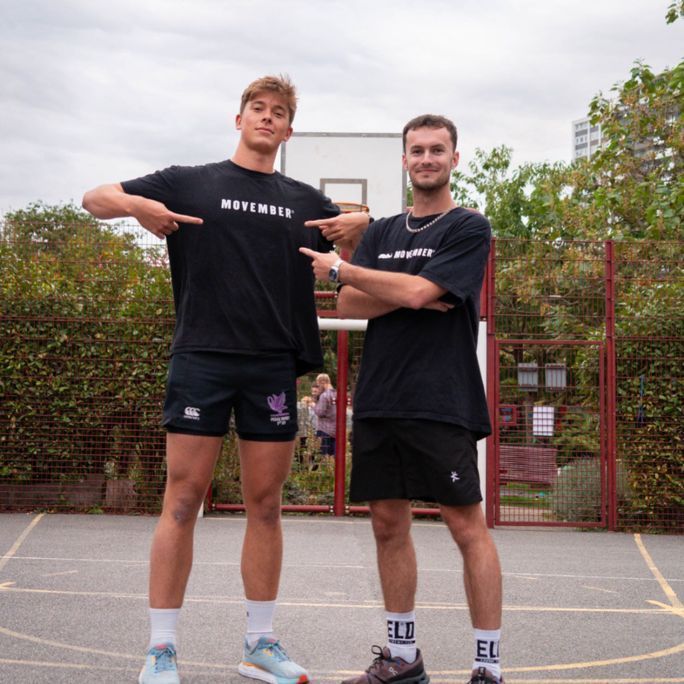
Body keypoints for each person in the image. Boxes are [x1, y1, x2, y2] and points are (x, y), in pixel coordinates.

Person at [82, 74, 369, 684]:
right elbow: (93, 197)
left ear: (289, 129)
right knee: (182, 502)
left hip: (270, 363)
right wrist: (138, 206)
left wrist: (363, 226)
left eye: (279, 112)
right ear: (239, 119)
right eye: (257, 108)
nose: (267, 118)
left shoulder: (306, 203)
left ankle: (259, 644)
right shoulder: (190, 182)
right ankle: (161, 650)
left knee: (266, 506)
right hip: (201, 359)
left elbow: (368, 244)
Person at [300, 114, 504, 684]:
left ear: (454, 159)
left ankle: (488, 666)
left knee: (467, 529)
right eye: (417, 150)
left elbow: (405, 290)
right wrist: (412, 292)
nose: (427, 158)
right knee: (388, 525)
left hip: (442, 399)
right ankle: (402, 657)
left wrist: (356, 273)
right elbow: (348, 309)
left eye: (437, 150)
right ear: (405, 160)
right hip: (382, 399)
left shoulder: (468, 227)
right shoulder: (383, 231)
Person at [312, 373, 337, 457]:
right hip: (335, 430)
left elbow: (320, 412)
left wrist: (313, 405)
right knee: (332, 456)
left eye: (318, 384)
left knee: (322, 457)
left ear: (322, 382)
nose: (318, 387)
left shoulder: (324, 395)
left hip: (324, 429)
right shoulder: (336, 393)